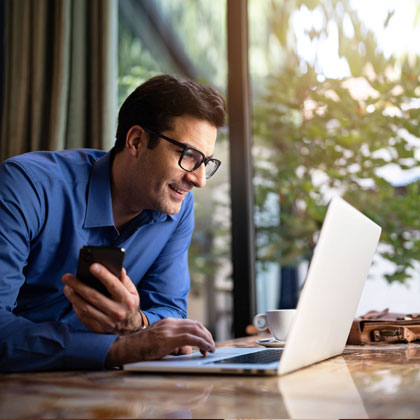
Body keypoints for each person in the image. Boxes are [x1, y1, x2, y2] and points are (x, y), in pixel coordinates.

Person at [0, 74, 226, 371]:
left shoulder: (177, 207)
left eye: (205, 163)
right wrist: (119, 348)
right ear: (136, 141)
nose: (198, 179)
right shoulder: (27, 186)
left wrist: (136, 323)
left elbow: (170, 308)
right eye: (188, 156)